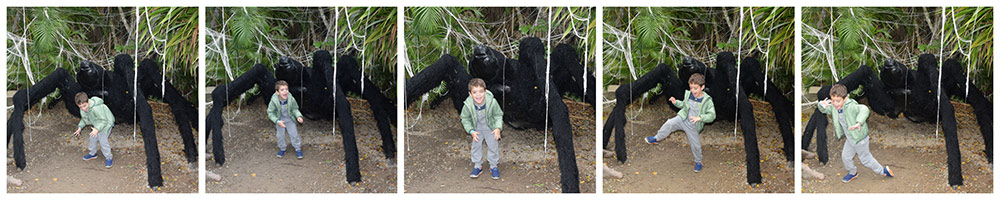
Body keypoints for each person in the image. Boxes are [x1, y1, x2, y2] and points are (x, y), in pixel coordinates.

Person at [818, 84, 894, 182]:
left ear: (845, 99)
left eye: (838, 101)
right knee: (845, 157)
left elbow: (864, 109)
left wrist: (859, 122)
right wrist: (821, 105)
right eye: (833, 100)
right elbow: (826, 110)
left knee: (865, 159)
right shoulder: (834, 107)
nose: (835, 103)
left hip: (860, 139)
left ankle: (882, 171)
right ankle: (853, 172)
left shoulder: (851, 106)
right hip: (850, 139)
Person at [644, 73, 716, 173]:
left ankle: (699, 162)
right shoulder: (688, 94)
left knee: (696, 145)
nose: (693, 91)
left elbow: (712, 115)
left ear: (702, 87)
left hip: (693, 126)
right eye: (691, 88)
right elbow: (684, 105)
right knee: (669, 123)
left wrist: (700, 118)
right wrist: (676, 102)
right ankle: (657, 138)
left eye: (696, 88)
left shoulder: (707, 100)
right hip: (682, 119)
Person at [460, 78, 504, 179]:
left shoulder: (492, 102)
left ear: (485, 91)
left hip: (490, 127)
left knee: (493, 145)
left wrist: (497, 128)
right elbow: (465, 119)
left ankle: (493, 166)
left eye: (481, 91)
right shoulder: (467, 105)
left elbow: (498, 115)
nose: (478, 95)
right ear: (470, 94)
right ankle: (477, 166)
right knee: (476, 146)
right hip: (477, 128)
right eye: (475, 92)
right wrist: (471, 131)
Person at [73, 92, 116, 168]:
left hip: (107, 123)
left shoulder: (96, 108)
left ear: (88, 102)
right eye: (80, 107)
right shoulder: (83, 109)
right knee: (92, 137)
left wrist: (97, 129)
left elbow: (103, 120)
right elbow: (85, 119)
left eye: (84, 106)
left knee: (102, 139)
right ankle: (93, 153)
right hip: (98, 123)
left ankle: (109, 157)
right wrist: (79, 127)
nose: (83, 108)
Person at [268, 80, 305, 159]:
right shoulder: (274, 100)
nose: (285, 92)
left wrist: (298, 116)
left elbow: (295, 109)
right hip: (280, 120)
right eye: (282, 90)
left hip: (289, 119)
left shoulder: (291, 99)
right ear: (277, 92)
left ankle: (298, 148)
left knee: (294, 134)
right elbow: (270, 113)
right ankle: (282, 148)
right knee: (280, 136)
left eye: (286, 89)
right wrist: (277, 121)